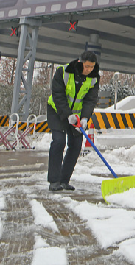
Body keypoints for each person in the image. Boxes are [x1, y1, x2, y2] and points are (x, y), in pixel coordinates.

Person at [46, 51, 100, 192]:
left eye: (92, 67)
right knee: (59, 141)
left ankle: (64, 180)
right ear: (80, 62)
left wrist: (84, 118)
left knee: (76, 145)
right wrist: (67, 115)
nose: (89, 70)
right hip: (57, 111)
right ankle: (54, 181)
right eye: (87, 66)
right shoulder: (63, 72)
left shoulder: (94, 78)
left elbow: (90, 100)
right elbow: (58, 95)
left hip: (76, 116)